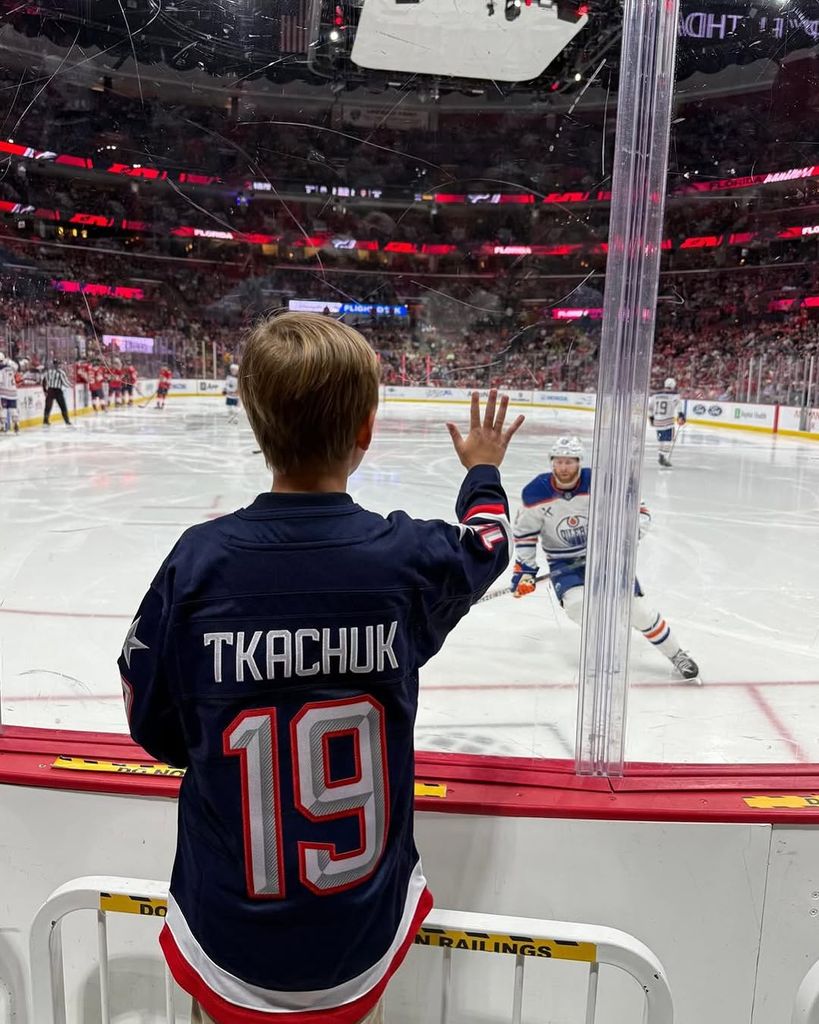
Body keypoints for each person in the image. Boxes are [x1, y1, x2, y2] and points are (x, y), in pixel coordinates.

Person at [118, 311, 524, 1024]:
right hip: (358, 935)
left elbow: (151, 718)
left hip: (227, 935)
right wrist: (483, 470)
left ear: (252, 419)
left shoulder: (199, 563)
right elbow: (488, 543)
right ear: (365, 430)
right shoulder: (403, 560)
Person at [511, 435, 699, 681]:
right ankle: (603, 653)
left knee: (637, 610)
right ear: (551, 463)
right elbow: (525, 534)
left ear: (579, 462)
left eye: (569, 462)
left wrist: (627, 538)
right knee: (579, 605)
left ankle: (677, 654)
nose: (564, 467)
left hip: (606, 557)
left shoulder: (601, 482)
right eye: (559, 462)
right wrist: (525, 571)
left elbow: (638, 510)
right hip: (564, 564)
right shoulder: (535, 492)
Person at [648, 377, 685, 467]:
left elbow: (650, 408)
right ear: (673, 385)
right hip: (667, 421)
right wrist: (681, 416)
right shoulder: (674, 394)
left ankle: (661, 455)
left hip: (657, 422)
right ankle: (662, 457)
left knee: (661, 440)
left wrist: (651, 419)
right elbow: (679, 406)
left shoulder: (655, 395)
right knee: (668, 440)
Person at [42, 358, 74, 427]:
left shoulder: (48, 372)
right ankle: (67, 421)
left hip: (50, 390)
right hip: (57, 390)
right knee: (63, 406)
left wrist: (45, 390)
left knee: (48, 406)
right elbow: (65, 382)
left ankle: (45, 420)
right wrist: (71, 385)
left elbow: (44, 381)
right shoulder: (60, 372)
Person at [0, 356, 19, 433]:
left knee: (4, 409)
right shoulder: (11, 368)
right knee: (13, 409)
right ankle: (16, 424)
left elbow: (0, 382)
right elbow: (16, 366)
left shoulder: (1, 371)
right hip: (13, 392)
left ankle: (3, 426)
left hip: (4, 392)